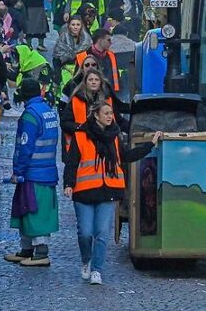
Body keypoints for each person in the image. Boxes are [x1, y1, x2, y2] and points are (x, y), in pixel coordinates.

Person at [63, 102, 160, 285]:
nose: (110, 116)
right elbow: (72, 162)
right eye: (106, 113)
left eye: (111, 114)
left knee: (101, 233)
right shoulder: (81, 135)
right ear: (96, 115)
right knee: (85, 233)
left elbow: (126, 156)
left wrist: (149, 146)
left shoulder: (115, 136)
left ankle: (97, 270)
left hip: (107, 191)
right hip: (84, 192)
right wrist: (69, 183)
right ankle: (86, 260)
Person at [7, 79, 59, 267]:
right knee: (32, 212)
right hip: (47, 171)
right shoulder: (48, 112)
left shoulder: (30, 115)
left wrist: (17, 171)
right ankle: (28, 250)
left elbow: (25, 146)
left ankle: (40, 253)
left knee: (32, 211)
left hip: (32, 173)